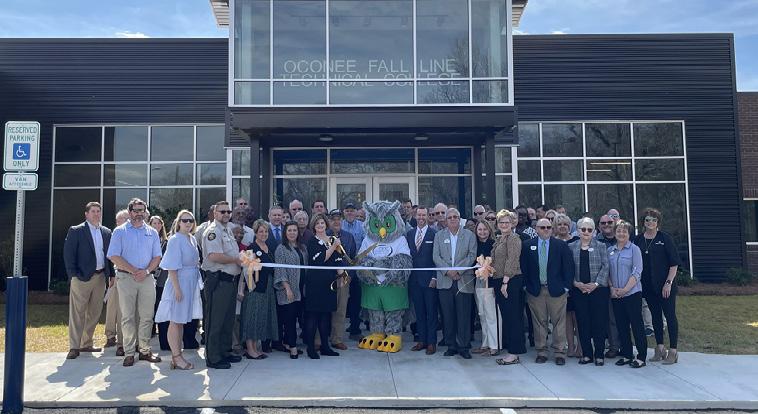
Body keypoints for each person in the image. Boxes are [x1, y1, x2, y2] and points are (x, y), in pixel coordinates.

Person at [106, 198, 163, 366]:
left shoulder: (152, 232)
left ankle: (144, 350)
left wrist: (146, 271)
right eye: (136, 210)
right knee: (127, 317)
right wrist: (133, 270)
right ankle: (129, 352)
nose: (139, 214)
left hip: (147, 278)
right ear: (130, 212)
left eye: (142, 210)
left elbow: (157, 257)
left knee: (147, 316)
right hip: (126, 278)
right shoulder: (120, 231)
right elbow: (113, 255)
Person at [521, 218, 575, 365]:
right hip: (535, 290)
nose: (546, 229)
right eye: (542, 227)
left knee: (559, 322)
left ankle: (559, 352)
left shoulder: (560, 245)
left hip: (557, 290)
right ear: (536, 229)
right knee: (539, 322)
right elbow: (523, 267)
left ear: (552, 229)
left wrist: (566, 288)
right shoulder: (527, 245)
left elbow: (568, 268)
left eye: (548, 227)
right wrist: (526, 286)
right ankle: (542, 351)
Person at [154, 210, 203, 370]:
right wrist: (177, 289)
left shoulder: (191, 239)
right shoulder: (175, 240)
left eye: (191, 220)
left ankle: (178, 354)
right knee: (175, 320)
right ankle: (176, 357)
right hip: (179, 283)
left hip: (190, 283)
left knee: (181, 321)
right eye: (184, 220)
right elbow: (171, 267)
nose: (188, 223)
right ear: (178, 222)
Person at [63, 202, 112, 359]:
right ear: (86, 214)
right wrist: (73, 275)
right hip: (81, 278)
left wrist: (110, 275)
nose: (96, 214)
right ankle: (74, 347)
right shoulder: (76, 231)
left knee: (94, 312)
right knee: (77, 313)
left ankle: (86, 343)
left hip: (100, 277)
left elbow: (109, 256)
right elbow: (68, 254)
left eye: (98, 211)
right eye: (93, 211)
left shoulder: (106, 232)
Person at [633, 208, 681, 364]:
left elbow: (674, 264)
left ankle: (673, 351)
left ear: (658, 222)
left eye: (654, 220)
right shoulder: (638, 240)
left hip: (665, 286)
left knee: (670, 316)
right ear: (643, 222)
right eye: (647, 220)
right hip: (648, 287)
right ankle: (660, 348)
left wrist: (668, 283)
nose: (650, 223)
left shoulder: (665, 238)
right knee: (655, 317)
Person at [201, 200, 244, 369]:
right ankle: (213, 357)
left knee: (227, 320)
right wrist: (236, 260)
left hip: (230, 281)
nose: (226, 214)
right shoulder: (213, 231)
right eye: (222, 211)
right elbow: (214, 256)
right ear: (215, 213)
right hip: (218, 281)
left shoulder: (227, 230)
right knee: (216, 321)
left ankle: (225, 352)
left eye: (228, 211)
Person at [433, 207, 477, 359]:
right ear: (446, 220)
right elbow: (436, 256)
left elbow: (472, 255)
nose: (452, 219)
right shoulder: (439, 235)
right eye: (450, 217)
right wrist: (448, 271)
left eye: (455, 217)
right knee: (448, 316)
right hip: (445, 281)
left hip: (463, 281)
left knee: (464, 315)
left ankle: (463, 346)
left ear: (460, 219)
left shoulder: (470, 235)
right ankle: (451, 345)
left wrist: (458, 271)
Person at [569, 217, 610, 366]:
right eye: (583, 229)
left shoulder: (601, 246)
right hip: (579, 291)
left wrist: (596, 284)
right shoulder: (571, 247)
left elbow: (606, 266)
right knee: (582, 322)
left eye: (589, 229)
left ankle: (599, 354)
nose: (586, 232)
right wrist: (575, 283)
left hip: (598, 291)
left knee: (599, 322)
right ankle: (587, 354)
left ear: (594, 231)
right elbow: (568, 268)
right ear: (578, 230)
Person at [304, 214, 345, 359]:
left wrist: (341, 276)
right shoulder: (312, 241)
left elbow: (338, 259)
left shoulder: (332, 239)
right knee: (313, 316)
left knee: (326, 316)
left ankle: (325, 347)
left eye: (322, 223)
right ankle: (311, 348)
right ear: (314, 226)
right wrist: (333, 246)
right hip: (315, 283)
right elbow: (320, 259)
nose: (320, 225)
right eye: (317, 223)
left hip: (329, 283)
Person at [238, 219, 279, 360]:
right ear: (255, 233)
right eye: (261, 231)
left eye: (266, 231)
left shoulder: (268, 247)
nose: (264, 234)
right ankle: (250, 350)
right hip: (254, 289)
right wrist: (250, 289)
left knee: (260, 318)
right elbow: (246, 272)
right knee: (251, 318)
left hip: (267, 288)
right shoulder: (250, 248)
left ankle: (256, 348)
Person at [608, 220, 647, 368]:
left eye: (624, 231)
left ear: (629, 234)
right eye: (618, 231)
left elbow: (637, 272)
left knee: (636, 325)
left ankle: (641, 357)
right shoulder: (610, 251)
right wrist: (612, 288)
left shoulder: (634, 250)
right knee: (621, 326)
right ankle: (627, 355)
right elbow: (607, 271)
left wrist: (625, 289)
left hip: (632, 294)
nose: (621, 233)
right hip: (616, 294)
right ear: (615, 233)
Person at [491, 210, 525, 366]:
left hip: (510, 281)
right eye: (501, 222)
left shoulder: (513, 239)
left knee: (513, 317)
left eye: (507, 222)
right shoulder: (499, 239)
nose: (504, 225)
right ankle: (512, 350)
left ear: (512, 223)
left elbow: (512, 260)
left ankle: (514, 353)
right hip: (500, 280)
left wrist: (505, 282)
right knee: (507, 317)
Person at [406, 206, 438, 355]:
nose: (421, 218)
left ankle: (431, 342)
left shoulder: (434, 234)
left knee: (431, 312)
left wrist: (434, 277)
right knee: (418, 312)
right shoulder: (410, 234)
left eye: (423, 215)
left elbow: (436, 258)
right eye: (419, 215)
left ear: (427, 216)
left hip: (429, 280)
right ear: (415, 216)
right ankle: (422, 340)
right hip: (414, 281)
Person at [274, 221, 307, 359]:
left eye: (294, 230)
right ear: (285, 233)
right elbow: (280, 270)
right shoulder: (281, 248)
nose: (292, 233)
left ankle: (288, 343)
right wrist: (287, 288)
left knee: (297, 317)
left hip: (301, 289)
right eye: (289, 230)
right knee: (290, 320)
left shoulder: (303, 248)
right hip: (287, 290)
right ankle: (293, 349)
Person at [326, 209, 356, 351]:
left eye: (338, 219)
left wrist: (349, 276)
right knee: (324, 309)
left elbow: (353, 258)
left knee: (341, 309)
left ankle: (337, 339)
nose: (336, 222)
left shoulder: (349, 237)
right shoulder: (324, 235)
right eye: (333, 219)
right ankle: (321, 339)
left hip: (343, 278)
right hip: (326, 278)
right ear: (329, 221)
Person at [554, 213, 580, 357]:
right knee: (566, 318)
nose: (563, 226)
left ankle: (580, 346)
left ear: (570, 226)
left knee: (578, 317)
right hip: (561, 285)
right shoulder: (552, 242)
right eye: (559, 224)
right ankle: (570, 346)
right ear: (555, 227)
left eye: (565, 224)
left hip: (577, 284)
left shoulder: (577, 240)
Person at [473, 219, 500, 357]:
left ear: (489, 230)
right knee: (482, 315)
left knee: (491, 316)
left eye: (485, 229)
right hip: (478, 283)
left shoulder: (494, 245)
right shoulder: (474, 245)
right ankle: (485, 344)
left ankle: (494, 346)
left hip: (490, 284)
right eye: (479, 229)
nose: (482, 232)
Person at [104, 209, 129, 355]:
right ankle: (110, 335)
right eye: (118, 220)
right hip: (115, 275)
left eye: (122, 219)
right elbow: (109, 257)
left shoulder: (130, 234)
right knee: (112, 307)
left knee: (122, 310)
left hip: (126, 275)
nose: (119, 222)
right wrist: (111, 276)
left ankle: (122, 341)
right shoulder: (115, 234)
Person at [342, 202, 366, 339]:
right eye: (347, 210)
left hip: (357, 267)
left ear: (356, 212)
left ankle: (355, 328)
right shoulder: (341, 226)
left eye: (352, 210)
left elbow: (365, 245)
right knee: (343, 298)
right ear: (344, 212)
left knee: (356, 299)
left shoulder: (362, 226)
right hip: (343, 268)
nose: (350, 213)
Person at [149, 215, 169, 347]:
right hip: (149, 277)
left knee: (161, 306)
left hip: (162, 279)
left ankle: (164, 337)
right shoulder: (147, 239)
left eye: (158, 223)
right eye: (154, 223)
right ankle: (150, 331)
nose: (156, 226)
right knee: (150, 307)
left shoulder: (166, 242)